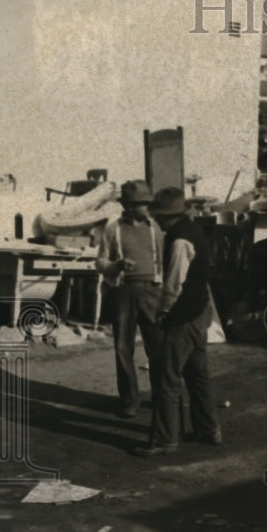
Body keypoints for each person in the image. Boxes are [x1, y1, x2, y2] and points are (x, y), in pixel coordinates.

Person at [133, 188, 221, 456]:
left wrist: (162, 313)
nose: (156, 221)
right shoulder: (194, 231)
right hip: (198, 314)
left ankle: (164, 440)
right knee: (197, 376)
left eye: (158, 216)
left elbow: (173, 284)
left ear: (168, 217)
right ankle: (209, 430)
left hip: (181, 317)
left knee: (166, 379)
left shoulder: (179, 239)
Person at [95, 180, 165, 418]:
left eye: (146, 203)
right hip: (123, 291)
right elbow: (100, 262)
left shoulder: (155, 228)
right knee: (123, 348)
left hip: (152, 291)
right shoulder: (112, 229)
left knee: (157, 348)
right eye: (139, 204)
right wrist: (116, 265)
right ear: (127, 206)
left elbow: (166, 261)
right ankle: (130, 400)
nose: (144, 208)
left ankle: (161, 396)